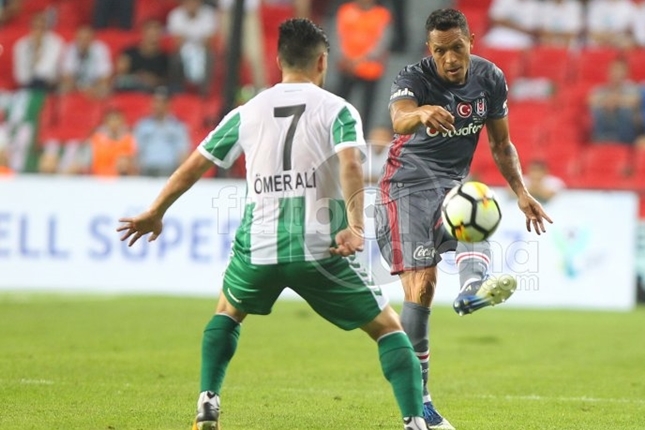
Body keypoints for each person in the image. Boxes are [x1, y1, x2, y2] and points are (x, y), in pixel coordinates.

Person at [116, 18, 429, 430]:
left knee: (227, 311)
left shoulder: (246, 112)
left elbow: (194, 166)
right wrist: (355, 225)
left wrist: (156, 210)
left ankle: (208, 401)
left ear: (279, 60)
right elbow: (351, 164)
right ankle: (414, 422)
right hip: (319, 248)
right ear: (322, 62)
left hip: (259, 246)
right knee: (388, 329)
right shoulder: (338, 109)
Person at [376, 8, 552, 429]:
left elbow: (502, 145)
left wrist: (521, 192)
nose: (450, 58)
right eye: (441, 51)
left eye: (457, 47)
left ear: (471, 40)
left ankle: (473, 289)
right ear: (430, 50)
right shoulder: (414, 78)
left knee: (476, 206)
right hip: (405, 189)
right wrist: (420, 113)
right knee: (421, 286)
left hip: (450, 186)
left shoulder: (490, 78)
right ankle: (419, 402)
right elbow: (399, 116)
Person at [334, 0, 391, 136]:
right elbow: (338, 36)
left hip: (370, 70)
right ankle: (336, 132)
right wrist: (345, 58)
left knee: (367, 109)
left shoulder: (382, 14)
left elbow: (383, 42)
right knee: (339, 104)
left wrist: (360, 60)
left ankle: (362, 136)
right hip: (347, 68)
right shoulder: (345, 11)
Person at [133, 89, 191, 177]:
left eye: (161, 102)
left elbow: (183, 153)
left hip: (169, 172)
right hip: (146, 172)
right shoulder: (143, 125)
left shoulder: (178, 127)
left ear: (169, 104)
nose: (157, 105)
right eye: (155, 101)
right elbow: (135, 151)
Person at [588, 58, 641, 144]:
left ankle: (620, 142)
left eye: (620, 70)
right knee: (598, 111)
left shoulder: (632, 88)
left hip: (625, 132)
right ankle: (602, 141)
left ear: (626, 73)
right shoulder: (600, 89)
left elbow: (635, 101)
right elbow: (591, 101)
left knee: (625, 111)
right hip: (605, 127)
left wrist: (616, 101)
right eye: (614, 70)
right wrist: (607, 102)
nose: (617, 73)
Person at [60, 25, 113, 98]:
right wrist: (77, 87)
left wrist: (92, 88)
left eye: (86, 38)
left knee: (104, 89)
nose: (83, 42)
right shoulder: (70, 48)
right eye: (80, 38)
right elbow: (66, 74)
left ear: (93, 39)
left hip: (95, 84)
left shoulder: (101, 49)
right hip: (75, 85)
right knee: (63, 87)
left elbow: (105, 76)